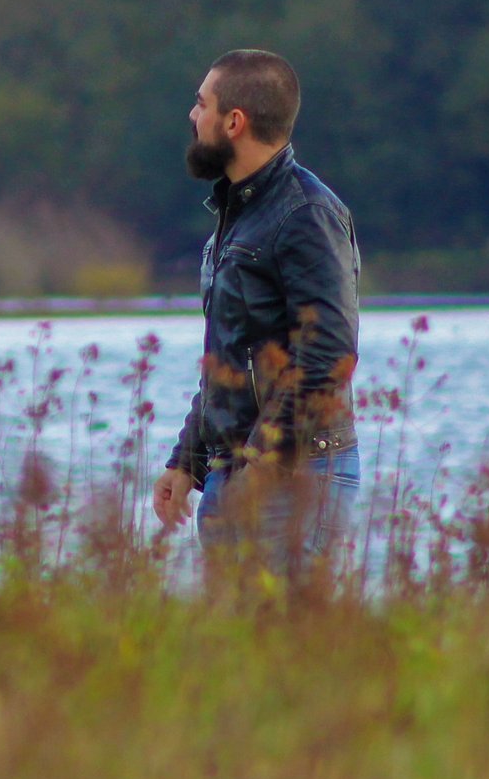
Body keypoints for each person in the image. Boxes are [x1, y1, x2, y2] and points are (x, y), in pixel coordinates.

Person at [153, 49, 362, 578]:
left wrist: (263, 460)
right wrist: (187, 461)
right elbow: (230, 357)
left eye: (201, 104)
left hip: (295, 473)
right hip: (233, 471)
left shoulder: (306, 215)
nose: (192, 116)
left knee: (287, 646)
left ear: (234, 122)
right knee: (239, 654)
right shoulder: (238, 214)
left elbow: (327, 356)